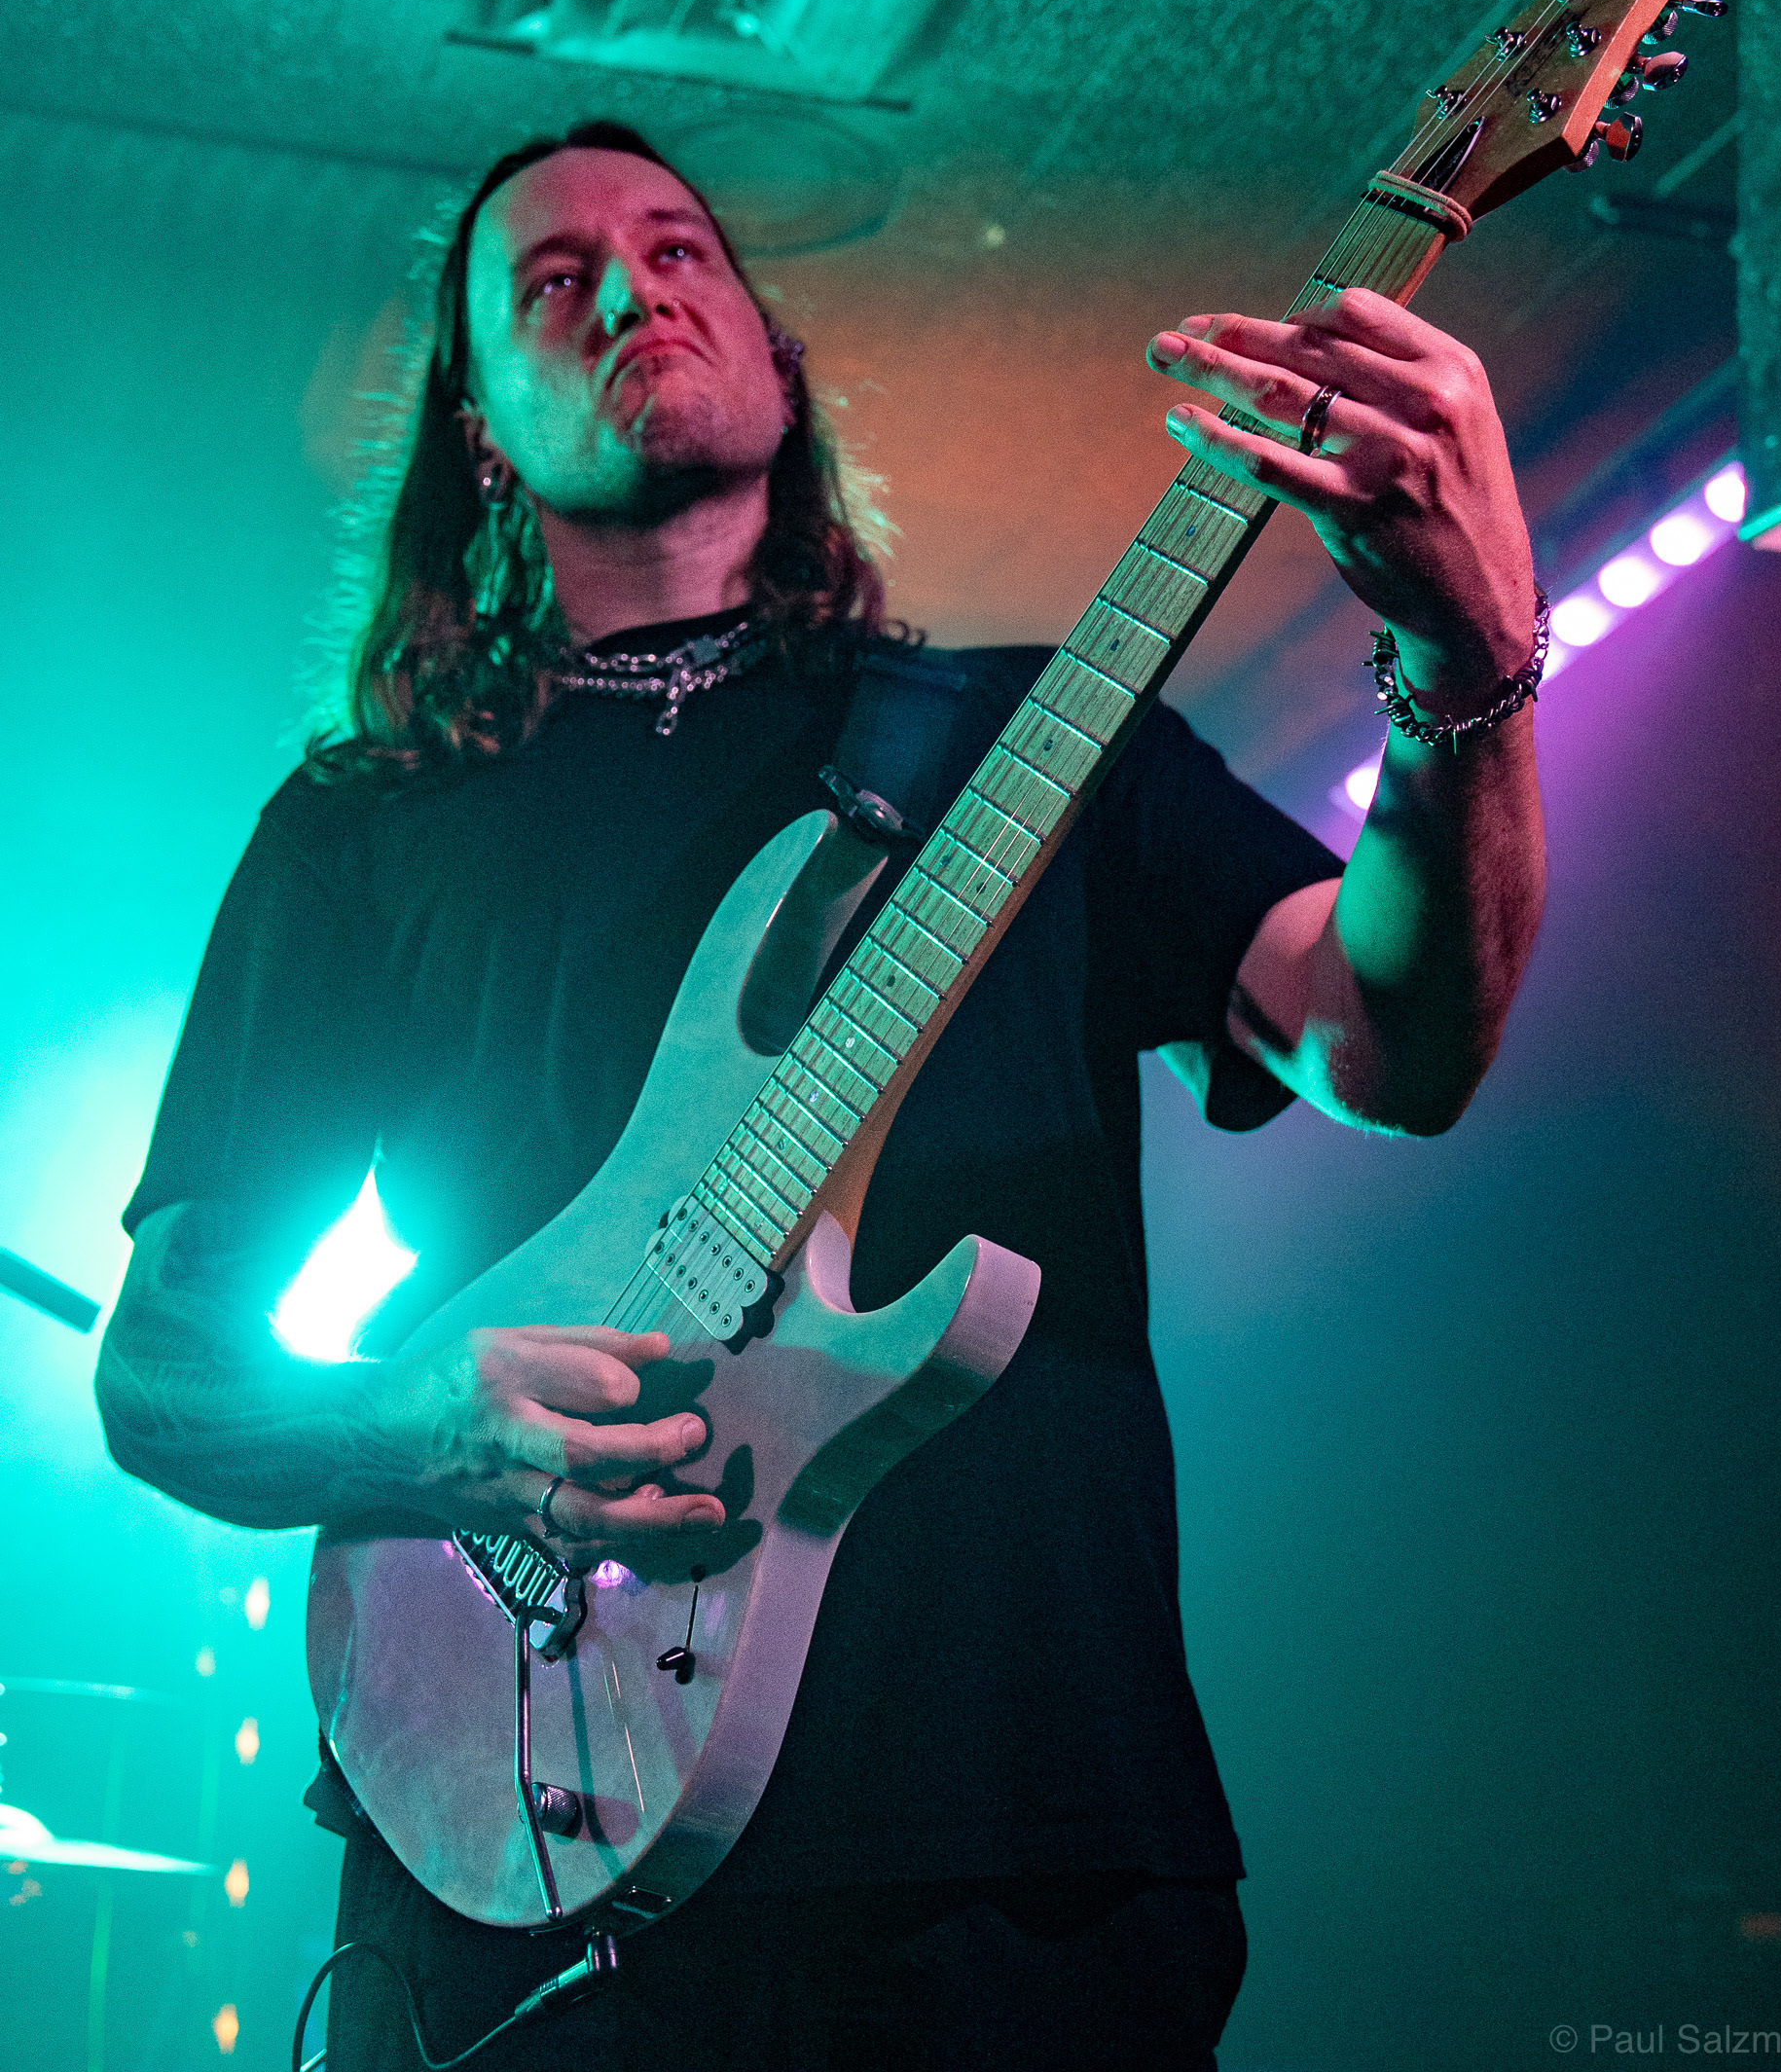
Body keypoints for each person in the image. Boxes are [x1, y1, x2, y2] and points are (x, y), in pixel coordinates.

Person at [95, 121, 1545, 2069]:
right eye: (556, 278)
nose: (636, 286)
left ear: (777, 364)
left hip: (1012, 1860)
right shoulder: (365, 825)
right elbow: (162, 1374)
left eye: (682, 247)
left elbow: (1394, 1046)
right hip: (505, 1856)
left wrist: (1465, 668)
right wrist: (405, 1432)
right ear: (480, 437)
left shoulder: (1035, 737)